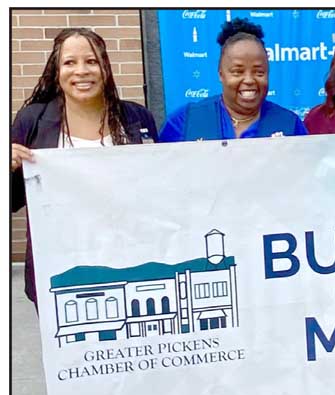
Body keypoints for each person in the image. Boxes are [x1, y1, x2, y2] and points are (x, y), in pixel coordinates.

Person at [11, 27, 159, 307]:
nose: (81, 71)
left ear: (105, 68)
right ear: (57, 71)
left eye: (91, 61)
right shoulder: (33, 121)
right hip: (60, 269)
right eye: (70, 62)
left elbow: (158, 188)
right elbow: (12, 200)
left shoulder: (136, 117)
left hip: (130, 262)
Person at [159, 18, 307, 142]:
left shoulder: (290, 125)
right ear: (221, 74)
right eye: (238, 72)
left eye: (259, 72)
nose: (249, 80)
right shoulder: (185, 121)